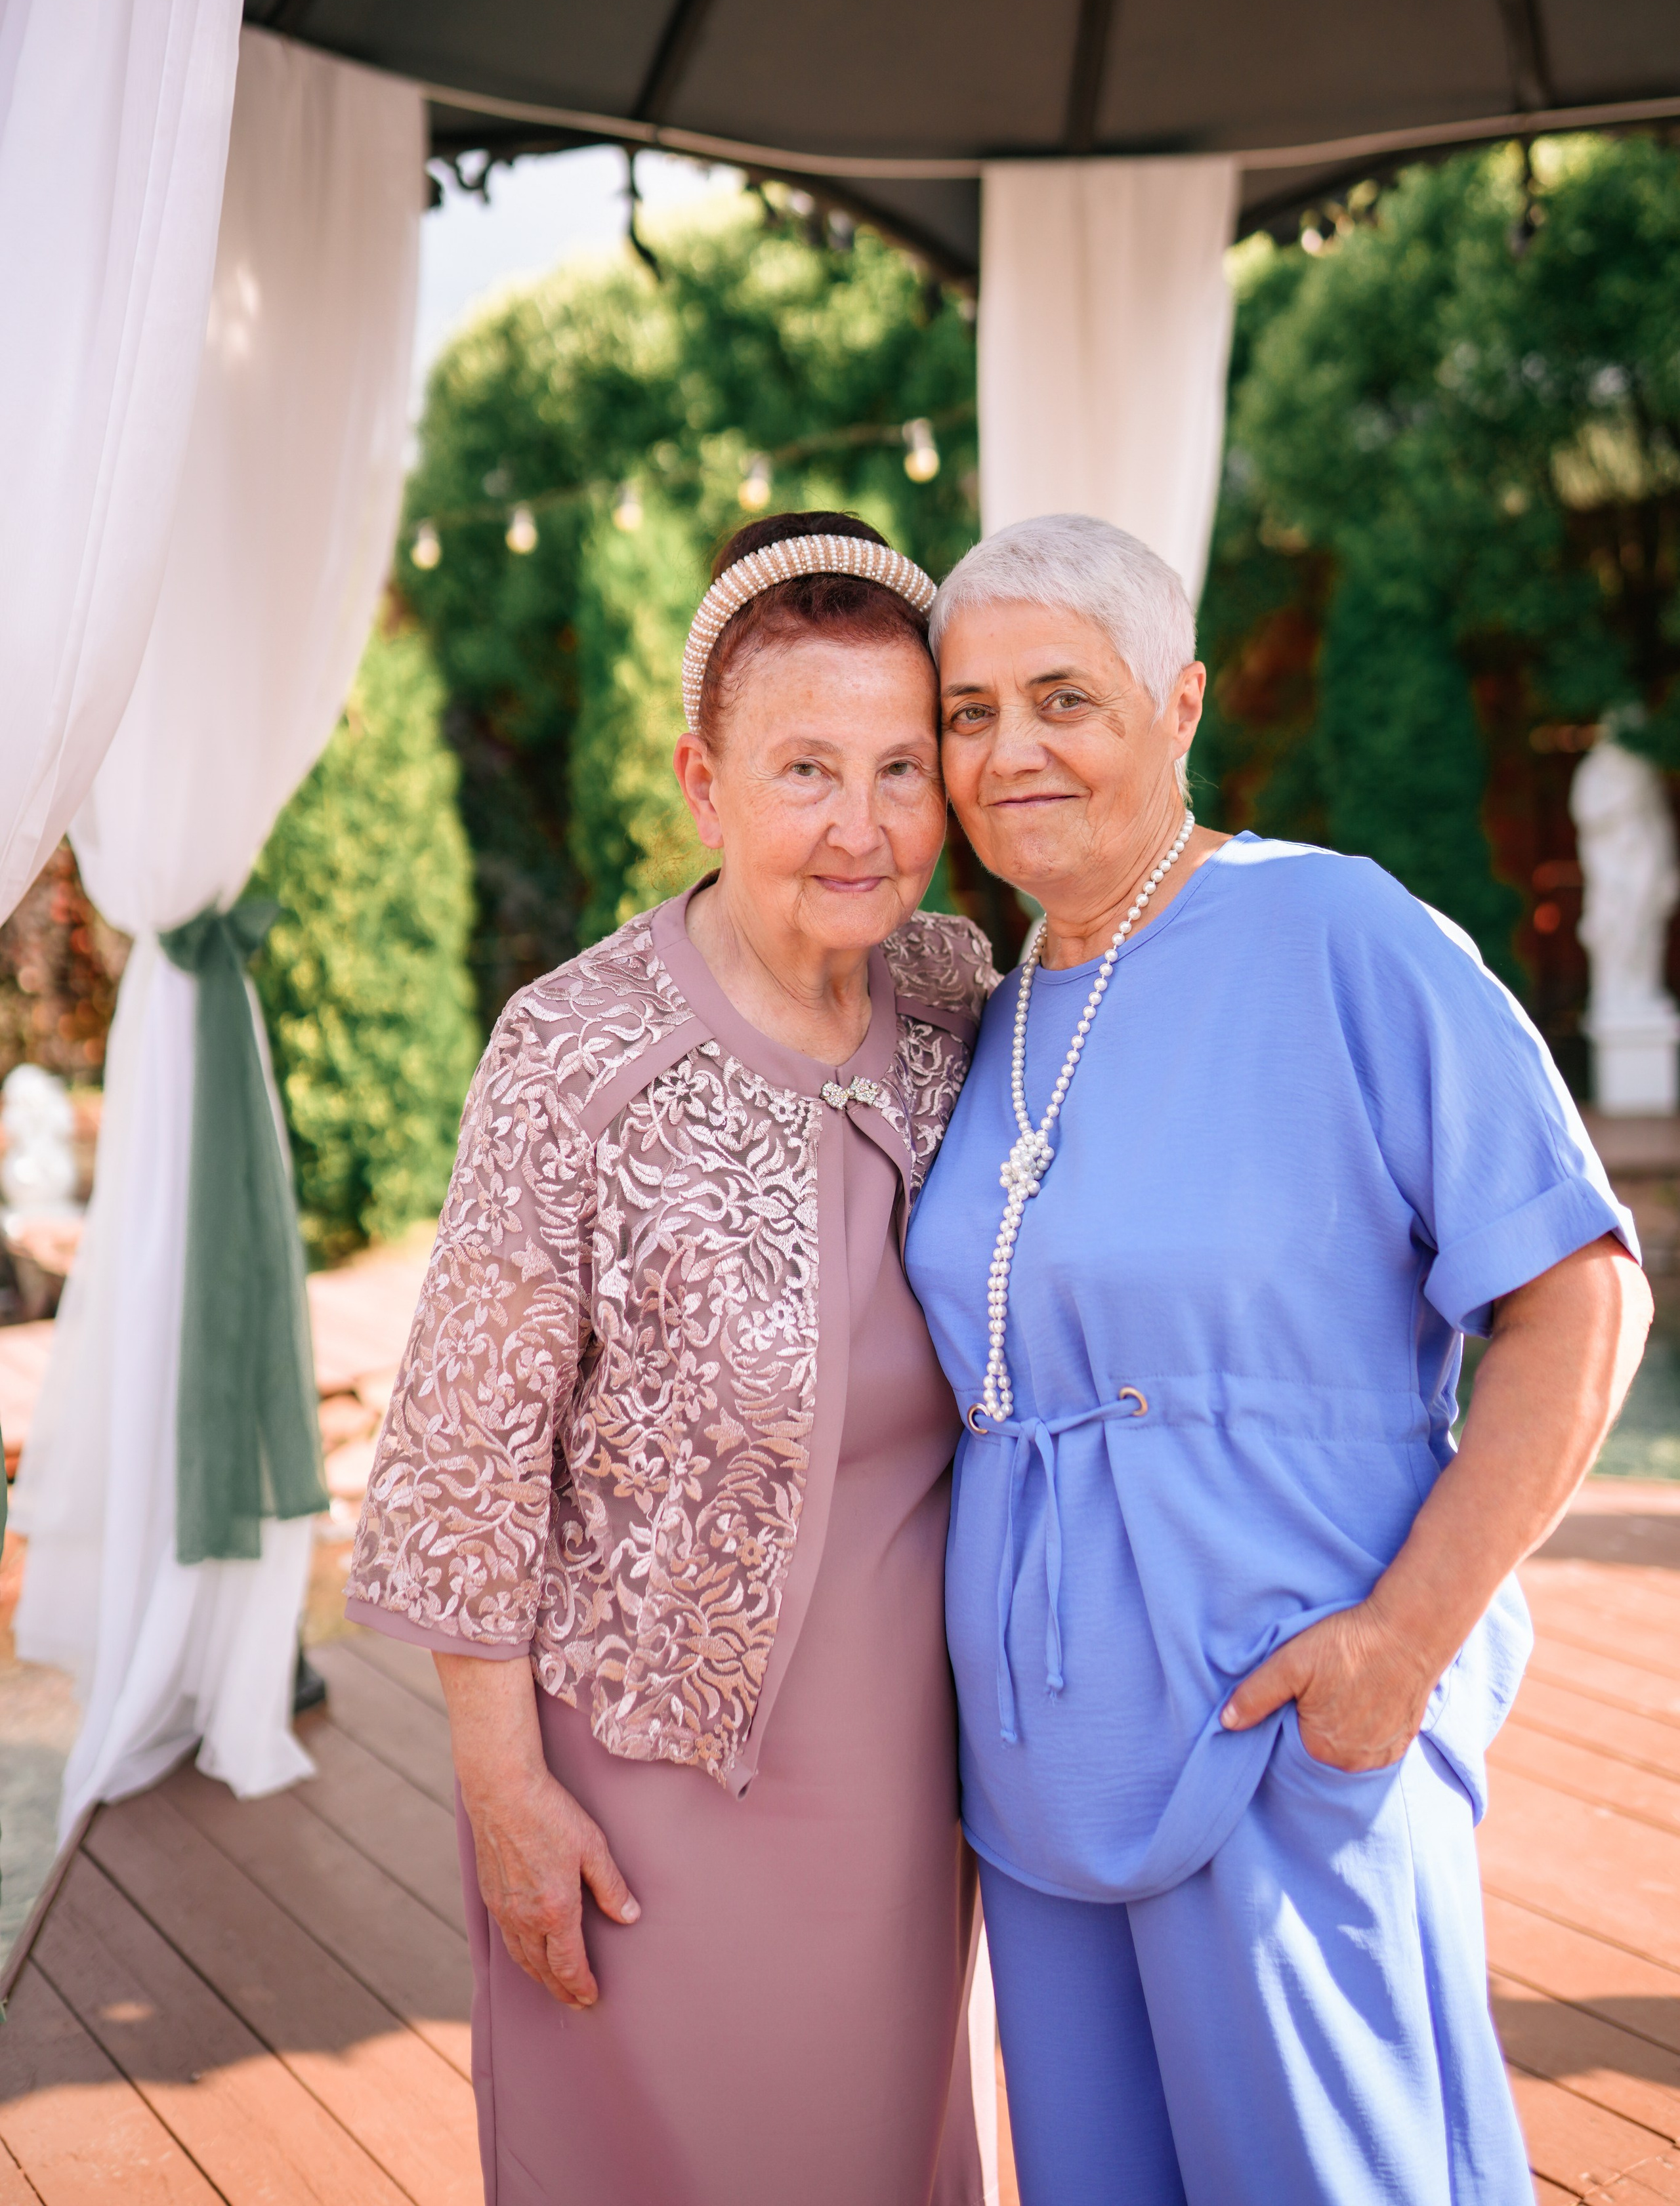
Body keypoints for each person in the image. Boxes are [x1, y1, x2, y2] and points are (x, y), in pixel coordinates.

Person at [905, 511, 1652, 2206]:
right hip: (1038, 1779)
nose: (1009, 749)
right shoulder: (990, 1006)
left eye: (1062, 700)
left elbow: (1582, 1300)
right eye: (967, 713)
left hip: (1282, 1732)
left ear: (1178, 708)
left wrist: (1398, 1648)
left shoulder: (1338, 935)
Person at [348, 513, 998, 2206]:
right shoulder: (572, 1051)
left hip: (904, 1769)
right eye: (804, 770)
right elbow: (460, 1458)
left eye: (902, 770)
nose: (861, 828)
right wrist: (503, 1789)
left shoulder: (958, 993)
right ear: (706, 785)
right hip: (634, 1780)